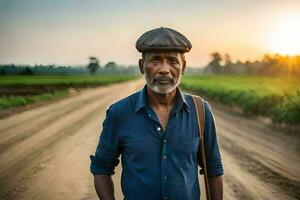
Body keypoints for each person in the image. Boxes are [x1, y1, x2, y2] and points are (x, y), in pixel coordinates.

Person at [90, 27, 224, 200]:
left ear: (183, 66)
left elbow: (213, 169)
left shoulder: (200, 110)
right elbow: (101, 169)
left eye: (173, 61)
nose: (164, 69)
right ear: (142, 66)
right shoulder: (119, 113)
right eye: (155, 61)